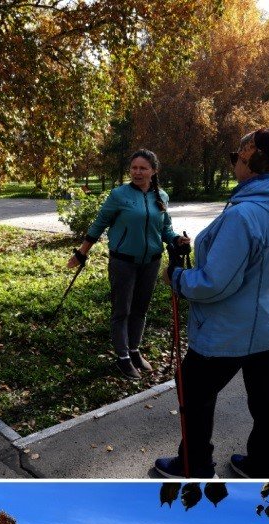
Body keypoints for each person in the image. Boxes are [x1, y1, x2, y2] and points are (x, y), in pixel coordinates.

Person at [154, 125, 269, 479]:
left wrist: (175, 278)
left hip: (230, 330)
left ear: (252, 159)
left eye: (235, 157)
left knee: (192, 388)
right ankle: (262, 464)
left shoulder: (245, 215)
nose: (233, 165)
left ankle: (194, 465)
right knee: (267, 398)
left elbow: (213, 283)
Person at [67, 149, 190, 380]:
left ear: (154, 171)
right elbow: (99, 223)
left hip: (151, 262)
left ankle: (134, 350)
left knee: (140, 309)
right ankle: (122, 357)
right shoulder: (119, 195)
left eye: (143, 168)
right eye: (134, 168)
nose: (137, 172)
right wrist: (81, 253)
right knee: (122, 310)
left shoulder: (161, 196)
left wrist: (176, 240)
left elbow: (165, 228)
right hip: (123, 262)